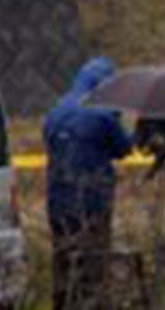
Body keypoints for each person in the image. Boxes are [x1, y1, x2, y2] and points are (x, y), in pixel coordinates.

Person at [43, 55, 133, 310]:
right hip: (92, 204)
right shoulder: (103, 114)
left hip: (57, 204)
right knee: (92, 269)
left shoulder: (55, 111)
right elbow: (124, 148)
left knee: (63, 265)